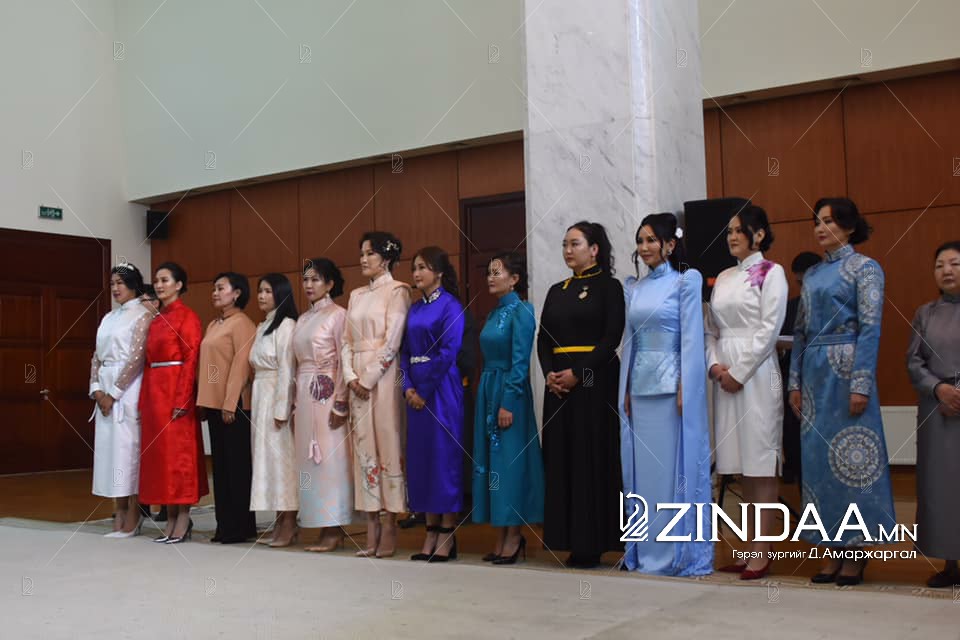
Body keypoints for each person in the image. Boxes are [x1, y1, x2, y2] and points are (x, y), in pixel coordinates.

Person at [788, 197, 896, 586]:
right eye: (817, 221)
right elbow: (800, 333)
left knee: (853, 462)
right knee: (819, 465)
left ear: (849, 227)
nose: (820, 228)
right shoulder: (813, 274)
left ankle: (856, 552)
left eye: (830, 221)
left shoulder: (866, 268)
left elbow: (870, 329)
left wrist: (861, 384)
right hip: (814, 376)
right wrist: (794, 382)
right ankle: (831, 548)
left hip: (847, 371)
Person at [618, 213, 712, 576]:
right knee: (646, 476)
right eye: (640, 241)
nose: (644, 248)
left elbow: (691, 338)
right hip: (640, 392)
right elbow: (631, 343)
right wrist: (626, 388)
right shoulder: (634, 288)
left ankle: (678, 553)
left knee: (674, 473)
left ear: (670, 245)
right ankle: (645, 552)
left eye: (651, 240)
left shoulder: (685, 281)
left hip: (673, 391)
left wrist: (687, 386)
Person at [705, 206, 787, 579]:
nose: (732, 237)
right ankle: (747, 545)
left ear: (759, 234)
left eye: (739, 230)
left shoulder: (772, 272)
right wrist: (715, 366)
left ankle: (762, 550)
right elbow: (711, 329)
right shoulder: (722, 277)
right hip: (724, 374)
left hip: (756, 373)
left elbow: (770, 329)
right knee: (739, 465)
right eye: (729, 231)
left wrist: (739, 372)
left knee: (760, 461)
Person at [537, 221, 624, 569]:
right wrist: (549, 374)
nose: (568, 250)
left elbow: (611, 338)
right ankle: (566, 537)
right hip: (559, 386)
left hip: (593, 380)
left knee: (591, 457)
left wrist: (577, 373)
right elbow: (543, 339)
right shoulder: (556, 290)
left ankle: (593, 542)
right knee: (562, 458)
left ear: (594, 249)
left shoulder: (609, 287)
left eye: (575, 243)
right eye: (564, 244)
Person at [342, 232, 412, 558]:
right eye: (361, 253)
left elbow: (393, 340)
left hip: (383, 377)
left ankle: (390, 524)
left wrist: (368, 378)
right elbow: (345, 341)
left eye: (370, 253)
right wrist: (350, 376)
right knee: (363, 448)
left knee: (387, 442)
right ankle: (370, 525)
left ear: (386, 258)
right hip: (356, 374)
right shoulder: (355, 295)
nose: (363, 259)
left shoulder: (398, 291)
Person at [472, 252, 544, 565]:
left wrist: (509, 402)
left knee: (509, 463)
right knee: (492, 463)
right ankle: (500, 532)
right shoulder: (493, 313)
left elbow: (520, 361)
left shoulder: (522, 311)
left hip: (509, 392)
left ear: (514, 279)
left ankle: (515, 534)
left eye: (497, 272)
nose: (490, 277)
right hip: (488, 389)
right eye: (489, 272)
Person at [401, 247, 465, 562]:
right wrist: (407, 387)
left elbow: (449, 351)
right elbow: (403, 352)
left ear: (438, 272)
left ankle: (447, 532)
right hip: (415, 390)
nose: (416, 273)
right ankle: (429, 529)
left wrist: (424, 390)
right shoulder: (413, 309)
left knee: (443, 457)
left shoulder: (451, 306)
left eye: (423, 267)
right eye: (414, 268)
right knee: (421, 459)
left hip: (441, 389)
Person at [139, 262, 208, 543]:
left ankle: (183, 517)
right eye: (157, 280)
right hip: (155, 393)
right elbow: (147, 363)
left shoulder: (187, 317)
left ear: (179, 285)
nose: (159, 285)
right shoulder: (156, 319)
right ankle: (169, 516)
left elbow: (191, 360)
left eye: (165, 280)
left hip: (176, 390)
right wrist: (144, 401)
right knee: (162, 459)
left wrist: (183, 398)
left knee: (179, 456)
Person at [906, 240, 960, 588]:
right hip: (935, 408)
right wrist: (939, 389)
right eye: (940, 265)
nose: (946, 271)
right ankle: (950, 562)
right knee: (941, 487)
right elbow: (913, 361)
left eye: (954, 263)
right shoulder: (925, 313)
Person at [89, 262, 153, 538]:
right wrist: (97, 389)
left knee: (128, 451)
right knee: (110, 453)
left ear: (133, 285)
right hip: (105, 384)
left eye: (120, 283)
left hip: (128, 389)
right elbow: (96, 355)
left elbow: (136, 358)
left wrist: (113, 393)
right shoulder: (108, 317)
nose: (115, 288)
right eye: (112, 283)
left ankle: (135, 514)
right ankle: (118, 510)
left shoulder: (143, 315)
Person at [293, 258, 352, 552]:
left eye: (315, 279)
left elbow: (344, 359)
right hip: (304, 393)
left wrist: (341, 400)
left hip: (327, 389)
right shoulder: (303, 319)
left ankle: (334, 526)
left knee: (330, 459)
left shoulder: (338, 315)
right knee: (308, 460)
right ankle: (317, 521)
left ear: (329, 284)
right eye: (306, 279)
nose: (309, 285)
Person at [198, 272, 257, 544]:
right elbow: (211, 367)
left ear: (237, 293)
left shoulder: (242, 323)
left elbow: (241, 366)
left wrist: (230, 401)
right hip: (214, 404)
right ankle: (224, 525)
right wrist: (205, 398)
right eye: (214, 288)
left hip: (234, 405)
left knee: (237, 467)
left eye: (221, 288)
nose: (215, 292)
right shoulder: (214, 324)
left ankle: (241, 527)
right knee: (220, 468)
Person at [248, 273, 299, 547]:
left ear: (281, 293)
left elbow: (288, 368)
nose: (262, 296)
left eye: (268, 291)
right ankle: (279, 519)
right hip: (260, 396)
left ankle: (289, 520)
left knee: (282, 461)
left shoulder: (287, 325)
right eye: (260, 291)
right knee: (266, 460)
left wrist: (282, 408)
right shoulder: (263, 325)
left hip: (275, 396)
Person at [778, 252, 821, 487]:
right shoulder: (790, 307)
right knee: (793, 434)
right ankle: (794, 471)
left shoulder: (829, 304)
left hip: (821, 378)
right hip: (793, 379)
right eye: (799, 282)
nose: (803, 287)